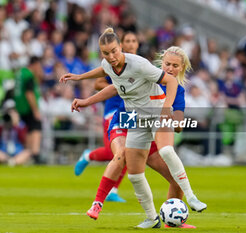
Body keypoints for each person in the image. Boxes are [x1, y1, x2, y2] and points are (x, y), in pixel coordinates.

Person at [60, 28, 206, 228]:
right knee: (128, 165)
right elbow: (107, 80)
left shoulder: (147, 71)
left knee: (165, 153)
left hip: (154, 117)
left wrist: (169, 114)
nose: (170, 68)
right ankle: (148, 217)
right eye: (167, 64)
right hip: (128, 117)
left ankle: (189, 200)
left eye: (175, 66)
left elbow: (178, 122)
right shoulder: (118, 66)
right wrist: (80, 81)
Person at [74, 31, 141, 203]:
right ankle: (88, 156)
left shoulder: (139, 63)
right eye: (128, 41)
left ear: (138, 44)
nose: (131, 43)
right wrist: (120, 87)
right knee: (115, 150)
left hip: (130, 111)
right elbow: (97, 83)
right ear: (121, 45)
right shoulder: (115, 62)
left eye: (134, 40)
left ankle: (113, 190)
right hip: (113, 110)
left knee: (127, 151)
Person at [14, 56, 43, 164]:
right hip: (28, 107)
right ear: (35, 64)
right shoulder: (29, 75)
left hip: (20, 107)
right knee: (36, 127)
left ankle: (28, 154)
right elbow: (29, 93)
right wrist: (35, 110)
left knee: (29, 130)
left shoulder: (20, 73)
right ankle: (34, 154)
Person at [0, 100, 31, 166]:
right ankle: (8, 161)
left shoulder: (20, 125)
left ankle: (12, 162)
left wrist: (16, 125)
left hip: (17, 151)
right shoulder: (1, 124)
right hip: (3, 151)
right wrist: (1, 126)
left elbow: (23, 139)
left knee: (27, 152)